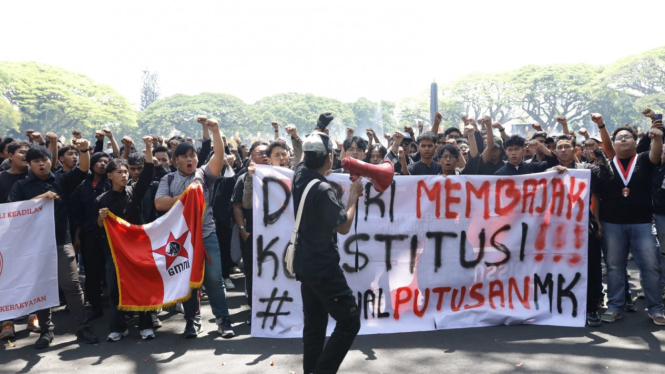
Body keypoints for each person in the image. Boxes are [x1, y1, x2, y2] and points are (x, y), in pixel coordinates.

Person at [9, 140, 99, 348]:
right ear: (29, 164)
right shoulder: (20, 186)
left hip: (61, 242)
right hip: (33, 247)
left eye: (44, 160)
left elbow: (83, 169)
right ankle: (46, 330)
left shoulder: (61, 180)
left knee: (72, 286)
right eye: (36, 161)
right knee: (42, 287)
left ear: (51, 161)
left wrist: (84, 150)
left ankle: (82, 326)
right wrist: (41, 198)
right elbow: (13, 212)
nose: (41, 164)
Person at [154, 119, 236, 338]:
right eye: (184, 156)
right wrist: (187, 196)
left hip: (207, 236)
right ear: (175, 160)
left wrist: (216, 130)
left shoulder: (204, 175)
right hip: (181, 240)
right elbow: (159, 203)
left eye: (193, 155)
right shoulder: (168, 179)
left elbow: (219, 156)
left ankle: (223, 320)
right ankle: (192, 321)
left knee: (214, 280)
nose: (189, 159)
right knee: (189, 282)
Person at [293, 126, 362, 374]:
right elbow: (343, 226)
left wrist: (319, 127)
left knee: (314, 326)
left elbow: (302, 158)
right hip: (323, 267)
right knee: (349, 321)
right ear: (329, 157)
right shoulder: (322, 189)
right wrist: (353, 196)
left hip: (306, 266)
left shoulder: (300, 175)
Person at [595, 118, 665, 325]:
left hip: (642, 223)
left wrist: (658, 138)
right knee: (615, 267)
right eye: (619, 138)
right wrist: (597, 222)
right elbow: (596, 197)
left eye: (627, 137)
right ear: (613, 144)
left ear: (635, 142)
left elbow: (656, 152)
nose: (623, 140)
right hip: (611, 224)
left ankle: (656, 309)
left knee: (651, 266)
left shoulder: (644, 159)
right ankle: (615, 306)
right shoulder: (606, 165)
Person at [549, 133, 613, 327]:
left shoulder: (586, 169)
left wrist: (597, 151)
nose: (563, 150)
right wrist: (552, 174)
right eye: (559, 147)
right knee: (562, 267)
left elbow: (607, 176)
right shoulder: (549, 171)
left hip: (585, 227)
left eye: (567, 147)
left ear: (575, 149)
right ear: (555, 151)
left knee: (591, 267)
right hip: (559, 230)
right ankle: (563, 304)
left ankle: (591, 307)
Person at [96, 137, 156, 341]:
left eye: (126, 171)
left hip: (137, 250)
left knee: (141, 286)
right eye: (120, 172)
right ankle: (118, 327)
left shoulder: (134, 192)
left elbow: (148, 173)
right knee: (114, 289)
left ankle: (146, 325)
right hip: (113, 253)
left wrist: (148, 147)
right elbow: (96, 227)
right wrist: (100, 218)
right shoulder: (102, 200)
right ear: (110, 175)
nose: (124, 175)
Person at [232, 140, 270, 324]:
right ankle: (254, 309)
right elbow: (238, 206)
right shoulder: (244, 178)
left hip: (274, 235)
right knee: (253, 271)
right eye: (259, 153)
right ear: (251, 157)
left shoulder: (280, 175)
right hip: (252, 233)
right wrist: (242, 230)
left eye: (266, 152)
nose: (264, 155)